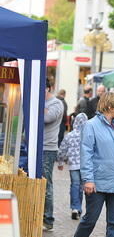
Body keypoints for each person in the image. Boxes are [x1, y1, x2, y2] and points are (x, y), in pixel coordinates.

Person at [74, 92, 114, 237]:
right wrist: (88, 179)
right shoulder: (91, 125)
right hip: (97, 183)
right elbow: (86, 153)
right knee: (90, 220)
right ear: (109, 106)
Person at [57, 113, 88, 220]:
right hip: (85, 165)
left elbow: (62, 149)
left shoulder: (70, 135)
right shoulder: (88, 135)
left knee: (75, 185)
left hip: (73, 165)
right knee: (81, 187)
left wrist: (60, 162)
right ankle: (78, 208)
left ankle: (75, 207)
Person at [43, 79, 64, 231]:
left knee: (46, 184)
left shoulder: (56, 104)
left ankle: (48, 219)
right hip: (35, 147)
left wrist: (37, 105)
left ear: (47, 88)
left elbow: (46, 118)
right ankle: (38, 214)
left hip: (48, 149)